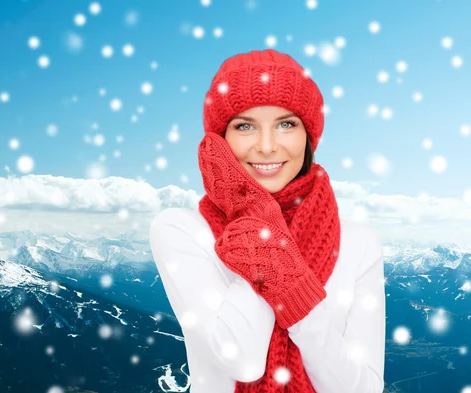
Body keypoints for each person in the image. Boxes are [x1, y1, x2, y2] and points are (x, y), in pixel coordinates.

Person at [149, 48, 386, 393]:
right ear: (220, 140)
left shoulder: (360, 243)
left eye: (286, 124)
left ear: (308, 136)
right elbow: (242, 360)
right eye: (245, 126)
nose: (266, 146)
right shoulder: (180, 230)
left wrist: (289, 281)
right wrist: (258, 224)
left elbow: (362, 388)